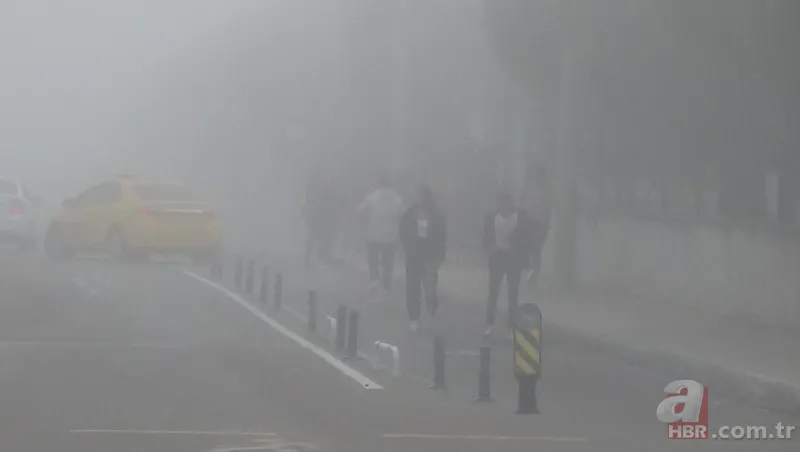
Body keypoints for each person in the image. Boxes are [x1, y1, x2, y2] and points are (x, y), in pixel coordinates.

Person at [482, 190, 536, 338]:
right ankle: (489, 325)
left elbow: (528, 236)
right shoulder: (492, 218)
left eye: (510, 203)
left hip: (513, 259)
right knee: (493, 292)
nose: (508, 206)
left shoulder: (520, 217)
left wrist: (517, 241)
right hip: (497, 258)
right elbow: (485, 238)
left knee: (513, 293)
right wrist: (490, 248)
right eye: (505, 203)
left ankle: (511, 327)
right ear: (500, 204)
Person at [399, 184, 446, 332]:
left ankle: (431, 310)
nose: (417, 198)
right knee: (412, 287)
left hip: (430, 255)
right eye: (415, 195)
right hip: (413, 255)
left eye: (420, 195)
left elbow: (441, 237)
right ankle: (414, 318)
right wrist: (407, 247)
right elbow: (403, 232)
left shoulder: (436, 215)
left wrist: (440, 256)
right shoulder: (408, 214)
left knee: (430, 287)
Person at [358, 171, 404, 293]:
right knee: (388, 261)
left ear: (377, 182)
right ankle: (387, 284)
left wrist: (365, 221)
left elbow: (360, 212)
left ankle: (374, 281)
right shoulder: (397, 199)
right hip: (391, 235)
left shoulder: (371, 197)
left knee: (373, 259)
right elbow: (402, 216)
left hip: (373, 234)